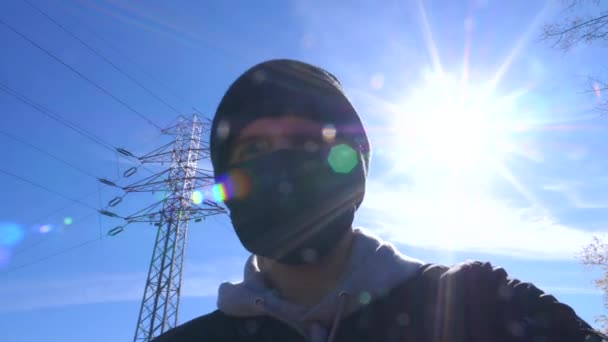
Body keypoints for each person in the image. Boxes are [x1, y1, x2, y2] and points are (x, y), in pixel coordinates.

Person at [153, 59, 606, 342]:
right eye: (253, 151)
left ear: (354, 166)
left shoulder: (485, 303)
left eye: (305, 144)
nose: (280, 168)